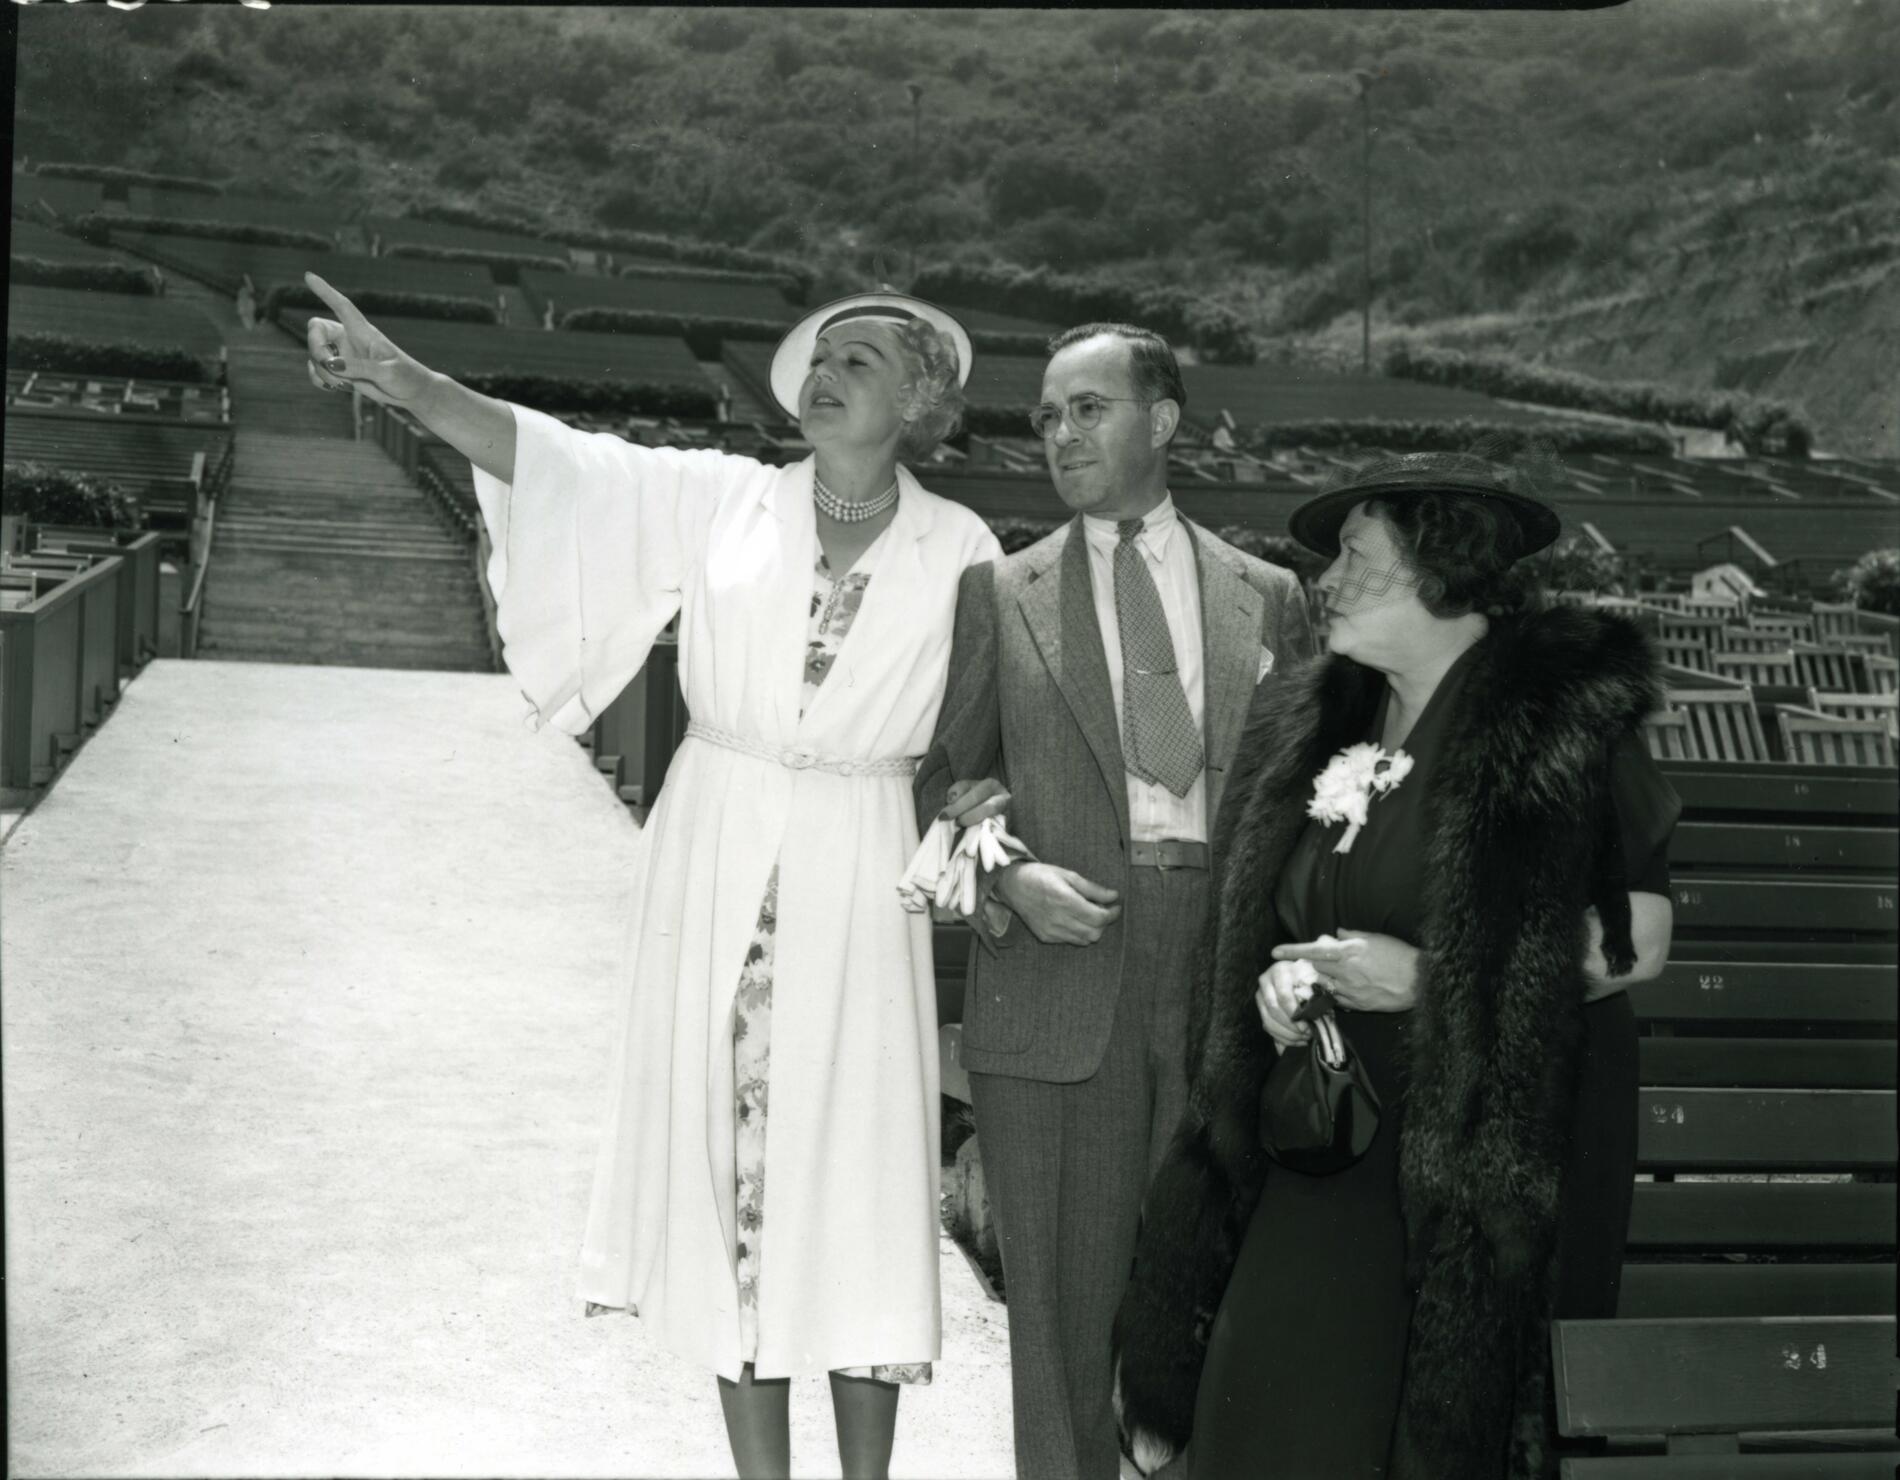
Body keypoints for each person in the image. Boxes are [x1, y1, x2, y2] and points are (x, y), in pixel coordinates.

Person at [302, 272, 1001, 1480]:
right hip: (718, 852)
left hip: (859, 865)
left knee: (858, 1185)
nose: (825, 375)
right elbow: (553, 460)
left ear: (919, 405)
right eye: (819, 358)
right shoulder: (723, 500)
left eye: (861, 362)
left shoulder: (965, 548)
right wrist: (401, 380)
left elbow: (992, 725)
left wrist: (989, 811)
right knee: (733, 1175)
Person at [1113, 456, 1680, 1480]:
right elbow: (1278, 916)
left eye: (1355, 555)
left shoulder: (1559, 715)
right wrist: (1280, 984)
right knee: (1260, 1404)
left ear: (1439, 566)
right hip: (1323, 1125)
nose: (1324, 580)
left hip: (1485, 1137)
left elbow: (1635, 934)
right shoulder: (1313, 717)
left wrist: (1427, 980)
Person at [916, 322, 1315, 1480]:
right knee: (1056, 1309)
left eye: (1087, 408)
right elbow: (941, 782)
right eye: (1046, 416)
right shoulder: (1001, 592)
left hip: (1217, 970)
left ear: (1163, 420)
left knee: (1207, 1299)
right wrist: (1008, 876)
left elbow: (1305, 792)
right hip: (1056, 963)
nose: (1059, 433)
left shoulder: (1268, 596)